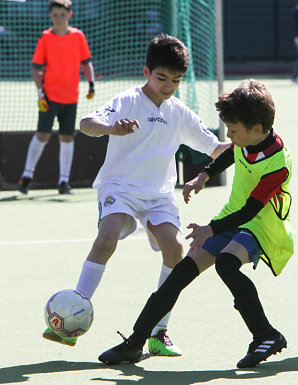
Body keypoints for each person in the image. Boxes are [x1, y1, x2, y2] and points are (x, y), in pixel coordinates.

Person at [41, 34, 229, 356]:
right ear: (146, 72)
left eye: (176, 80)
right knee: (107, 237)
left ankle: (159, 331)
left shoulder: (179, 111)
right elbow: (88, 123)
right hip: (120, 187)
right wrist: (111, 128)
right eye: (161, 78)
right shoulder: (127, 101)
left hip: (158, 195)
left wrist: (253, 142)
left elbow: (216, 148)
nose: (168, 85)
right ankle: (75, 311)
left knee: (175, 249)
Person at [97, 79, 294, 368]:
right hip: (233, 217)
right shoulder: (247, 140)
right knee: (180, 274)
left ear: (257, 130)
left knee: (227, 263)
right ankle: (135, 343)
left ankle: (266, 334)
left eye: (233, 130)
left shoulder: (277, 163)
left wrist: (211, 229)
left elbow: (252, 210)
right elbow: (231, 152)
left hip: (261, 225)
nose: (228, 135)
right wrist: (203, 176)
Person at [18, 0, 95, 195]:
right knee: (42, 134)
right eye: (55, 15)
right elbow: (36, 67)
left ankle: (63, 182)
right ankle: (26, 176)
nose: (59, 19)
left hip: (71, 97)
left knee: (67, 137)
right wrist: (40, 92)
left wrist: (91, 83)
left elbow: (86, 63)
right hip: (49, 96)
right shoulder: (45, 38)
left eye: (62, 14)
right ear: (50, 16)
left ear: (70, 15)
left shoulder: (78, 36)